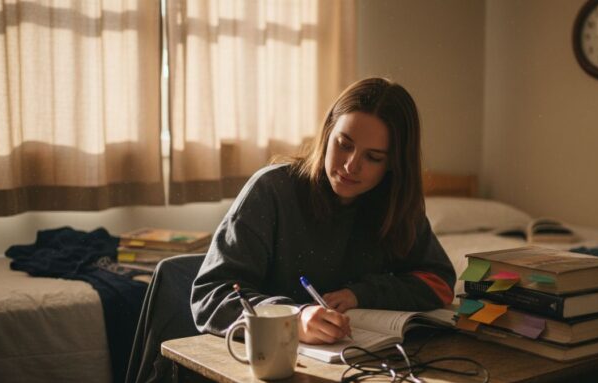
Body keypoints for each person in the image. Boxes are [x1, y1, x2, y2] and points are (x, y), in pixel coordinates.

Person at [191, 77, 456, 345]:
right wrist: (292, 319)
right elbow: (211, 294)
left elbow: (439, 282)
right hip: (267, 362)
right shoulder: (272, 191)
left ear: (393, 165)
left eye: (373, 157)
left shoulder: (394, 203)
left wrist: (362, 294)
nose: (351, 166)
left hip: (358, 359)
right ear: (328, 133)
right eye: (344, 144)